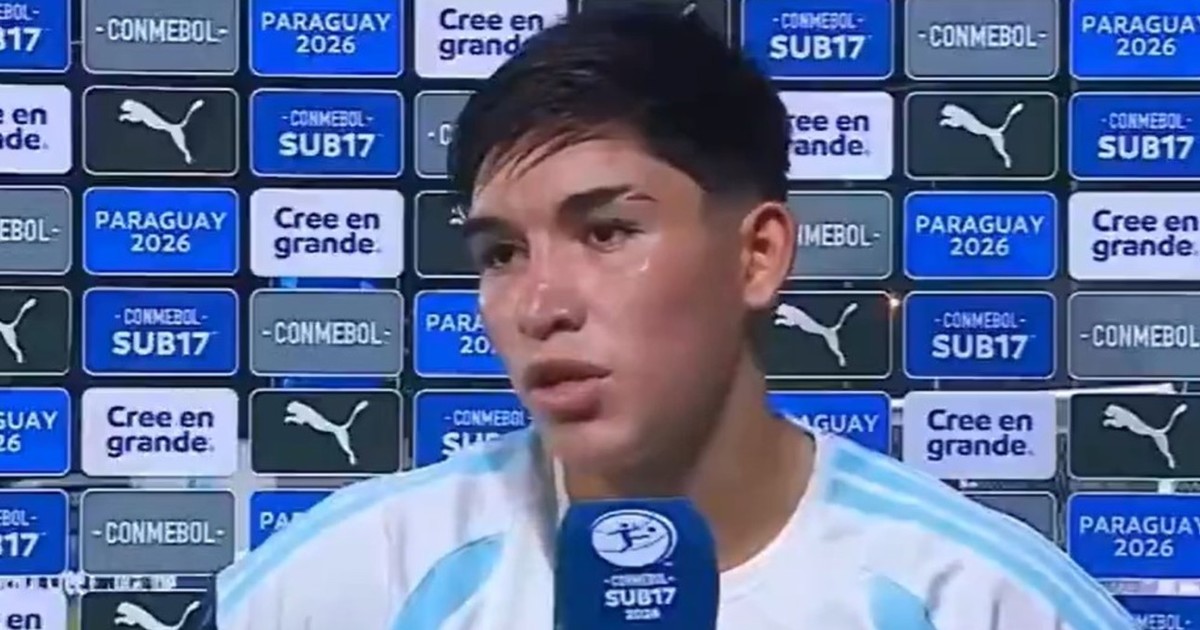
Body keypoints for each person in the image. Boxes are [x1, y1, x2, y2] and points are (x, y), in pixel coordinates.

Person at [211, 5, 1136, 629]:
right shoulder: (351, 578)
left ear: (757, 256)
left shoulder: (979, 598)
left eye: (607, 232)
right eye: (500, 253)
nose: (541, 305)